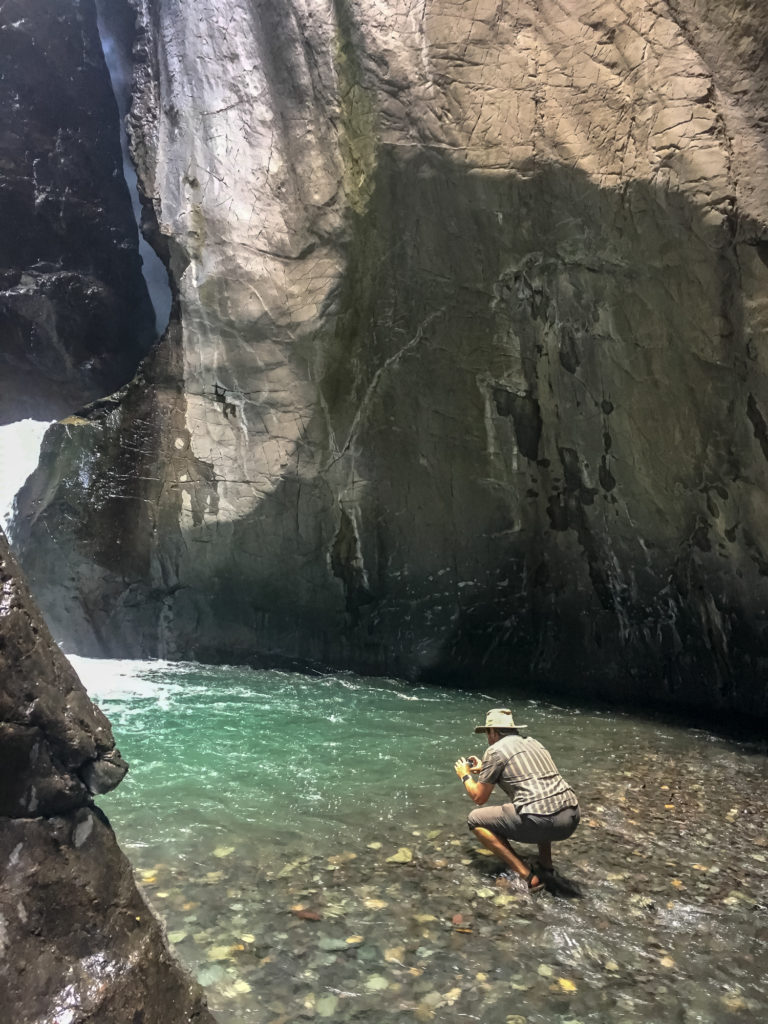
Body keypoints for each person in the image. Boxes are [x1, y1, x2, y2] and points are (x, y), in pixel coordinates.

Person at [454, 708, 579, 892]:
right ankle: (546, 865)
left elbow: (479, 797)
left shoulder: (495, 751)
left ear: (494, 732)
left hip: (542, 821)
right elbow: (529, 778)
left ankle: (528, 876)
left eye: (488, 732)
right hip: (572, 816)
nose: (488, 738)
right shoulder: (534, 743)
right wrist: (485, 769)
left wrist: (465, 776)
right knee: (541, 799)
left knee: (475, 819)